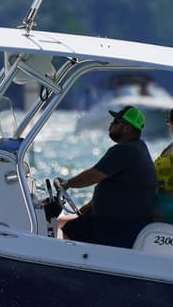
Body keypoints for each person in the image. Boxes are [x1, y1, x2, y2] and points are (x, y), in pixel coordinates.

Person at [56, 105, 156, 249]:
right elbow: (119, 186)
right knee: (73, 225)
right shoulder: (138, 148)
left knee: (72, 229)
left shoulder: (125, 150)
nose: (110, 125)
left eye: (115, 122)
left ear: (127, 128)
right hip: (120, 223)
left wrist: (67, 183)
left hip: (120, 227)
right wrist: (89, 207)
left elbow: (93, 175)